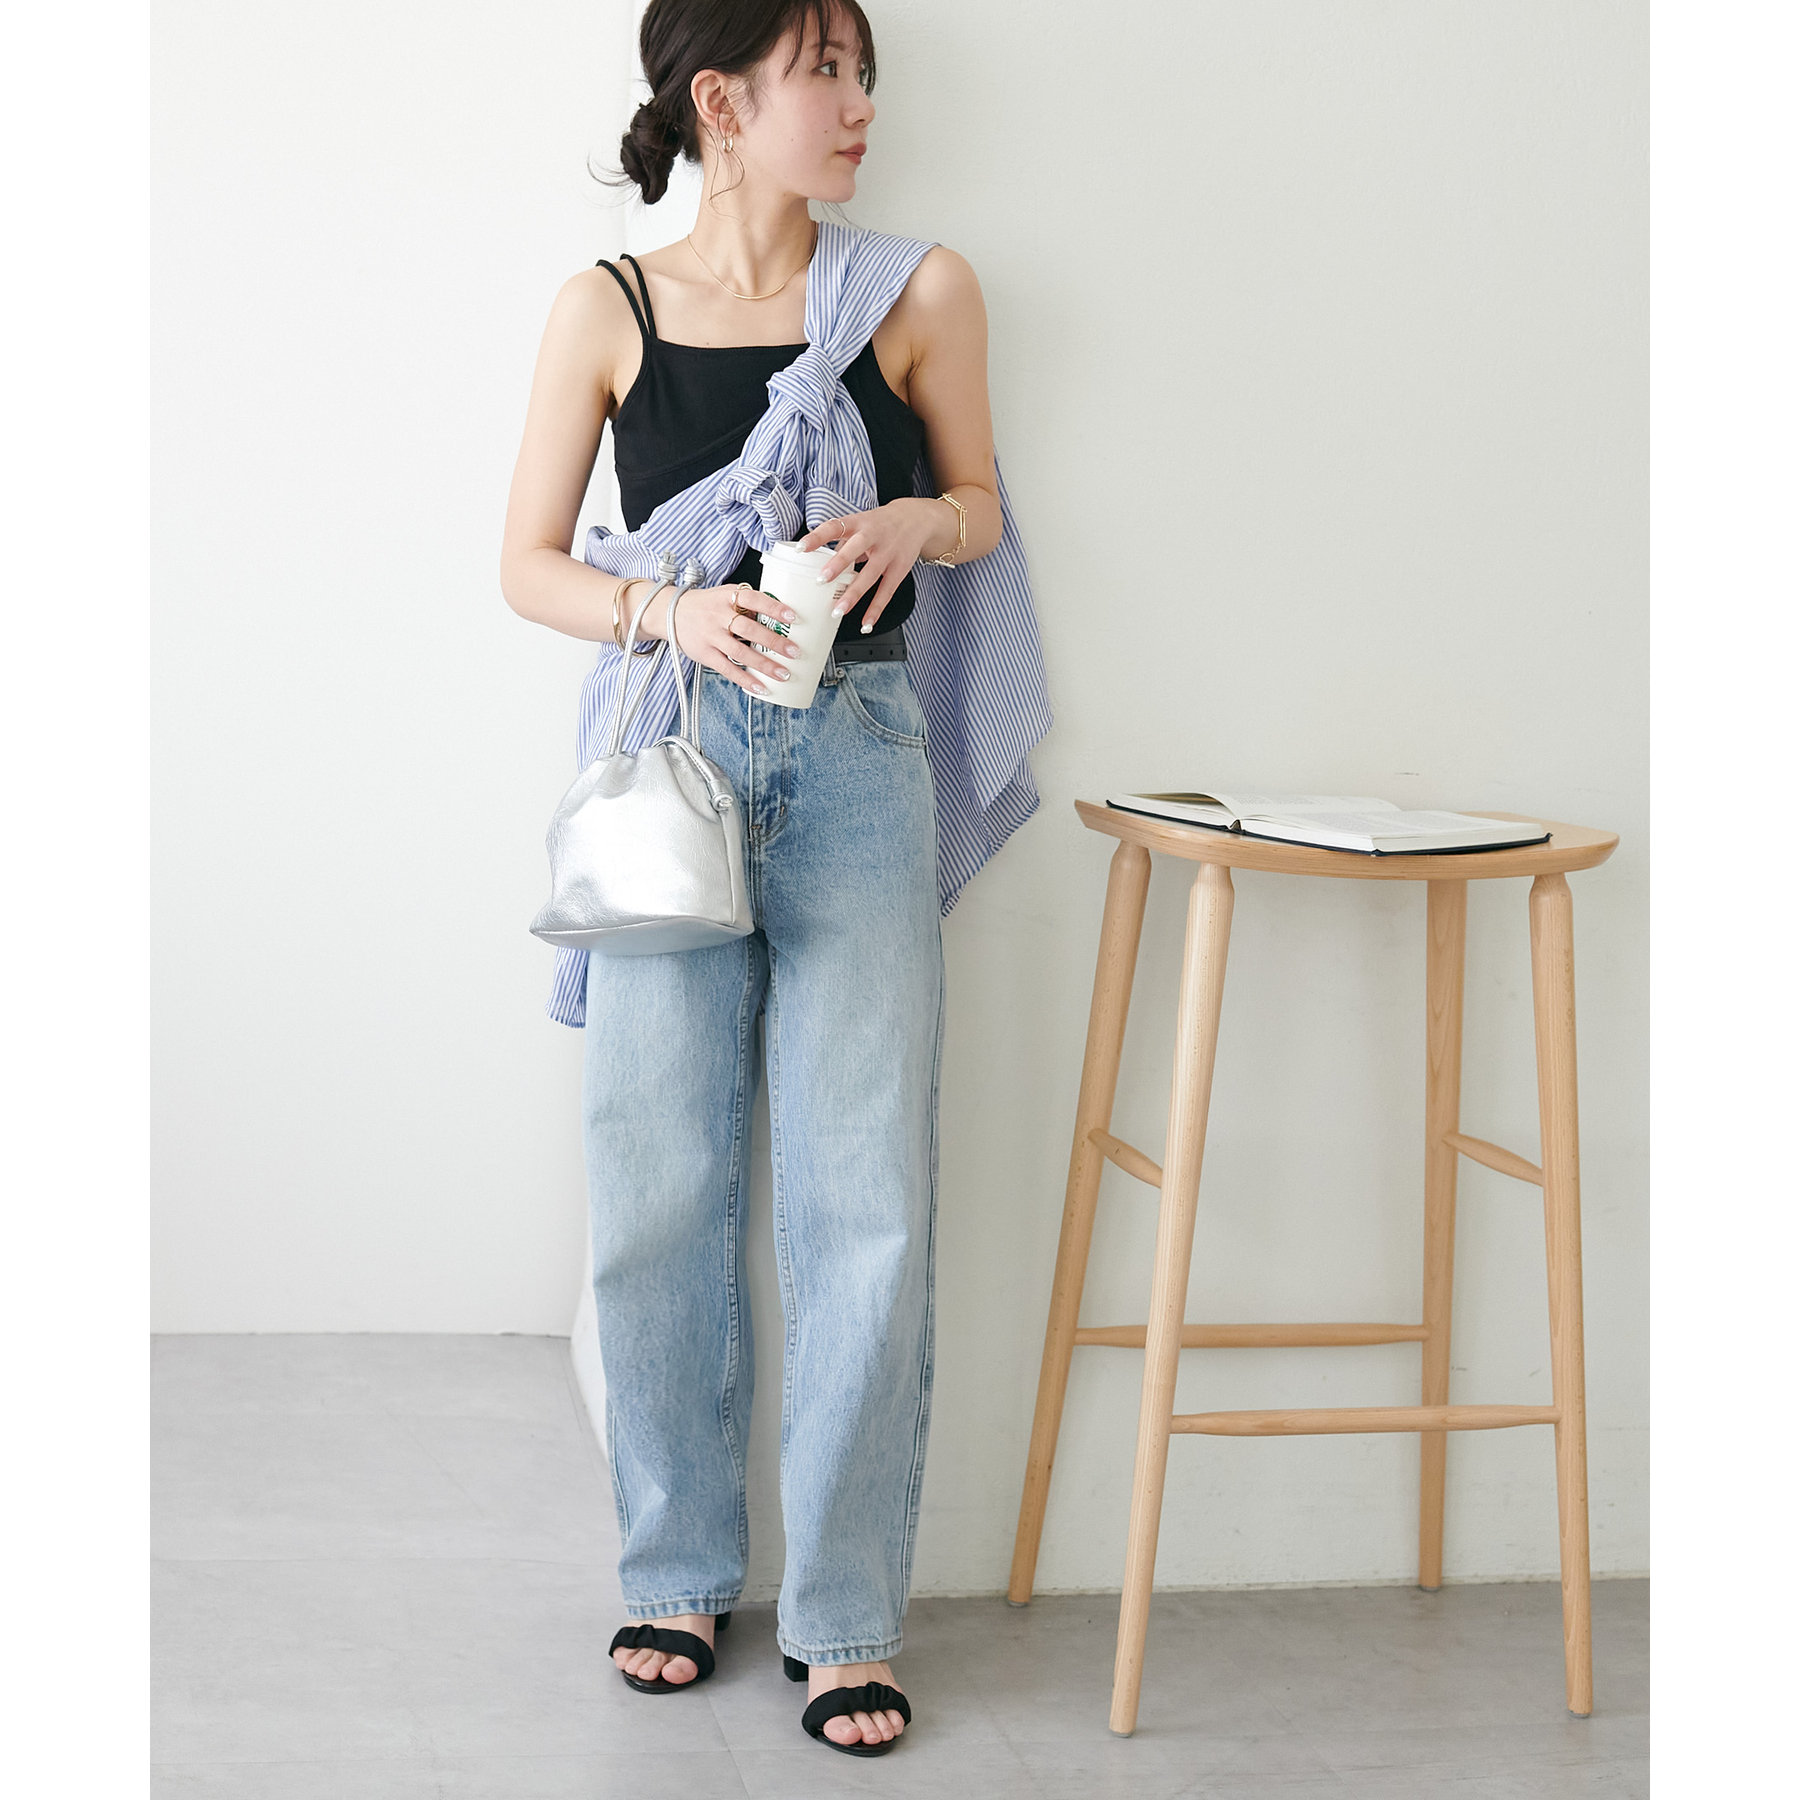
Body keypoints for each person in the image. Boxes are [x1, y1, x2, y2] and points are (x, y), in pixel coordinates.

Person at [499, 0, 1048, 1758]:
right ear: (721, 101)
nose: (862, 104)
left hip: (861, 758)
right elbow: (525, 564)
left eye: (864, 72)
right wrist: (671, 610)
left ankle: (846, 1619)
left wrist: (918, 523)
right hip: (675, 763)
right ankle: (674, 1569)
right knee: (656, 1183)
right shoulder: (607, 307)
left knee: (863, 1197)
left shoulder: (917, 291)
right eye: (829, 72)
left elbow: (981, 502)